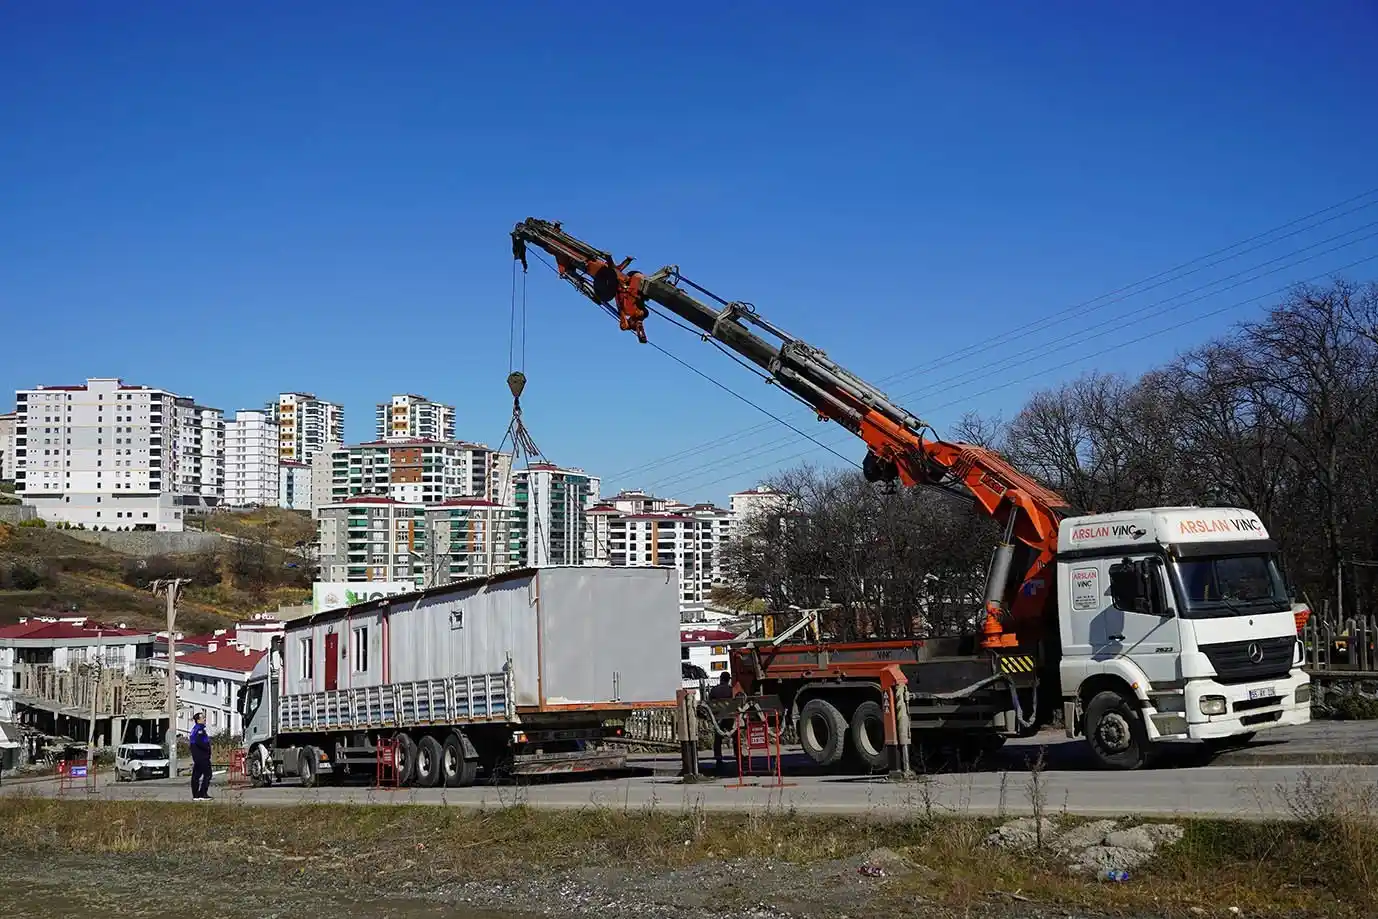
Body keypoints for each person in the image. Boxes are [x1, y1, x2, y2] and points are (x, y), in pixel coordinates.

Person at [708, 672, 735, 774]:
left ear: (720, 679)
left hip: (718, 719)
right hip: (729, 720)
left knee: (717, 738)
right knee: (735, 735)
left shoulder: (714, 690)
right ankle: (737, 755)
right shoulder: (731, 690)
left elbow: (709, 703)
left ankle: (718, 758)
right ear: (729, 679)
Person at [189, 712, 212, 801]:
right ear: (198, 720)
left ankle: (196, 795)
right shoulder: (199, 730)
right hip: (202, 756)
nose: (205, 719)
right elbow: (200, 743)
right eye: (203, 718)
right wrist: (207, 749)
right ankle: (203, 793)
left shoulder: (195, 729)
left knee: (196, 775)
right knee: (207, 774)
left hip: (197, 757)